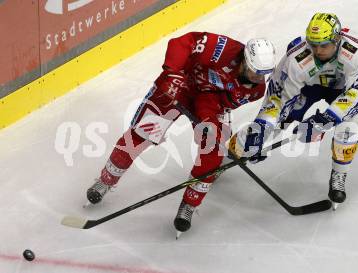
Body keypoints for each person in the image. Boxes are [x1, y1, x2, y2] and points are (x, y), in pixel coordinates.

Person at [86, 32, 276, 236]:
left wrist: (208, 121)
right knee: (140, 135)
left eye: (264, 73)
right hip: (178, 83)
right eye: (256, 71)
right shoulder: (223, 49)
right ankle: (105, 180)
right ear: (245, 61)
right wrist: (172, 72)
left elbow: (215, 101)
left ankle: (189, 204)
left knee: (213, 153)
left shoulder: (255, 91)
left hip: (208, 102)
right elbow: (183, 42)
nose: (259, 77)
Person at [229, 13, 358, 210]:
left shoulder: (355, 53)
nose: (317, 51)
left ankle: (339, 174)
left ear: (337, 39)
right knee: (270, 127)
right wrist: (262, 127)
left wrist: (323, 121)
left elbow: (356, 93)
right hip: (304, 90)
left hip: (339, 90)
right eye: (313, 45)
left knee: (349, 126)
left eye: (324, 45)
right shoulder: (296, 59)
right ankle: (231, 151)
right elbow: (278, 101)